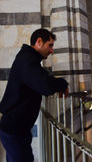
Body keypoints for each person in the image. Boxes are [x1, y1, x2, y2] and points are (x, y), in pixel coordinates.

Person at [0, 28, 68, 162]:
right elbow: (46, 86)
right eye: (50, 45)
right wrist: (63, 84)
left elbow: (42, 80)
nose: (52, 50)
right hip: (14, 130)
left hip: (17, 129)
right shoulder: (27, 60)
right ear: (39, 42)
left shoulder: (29, 59)